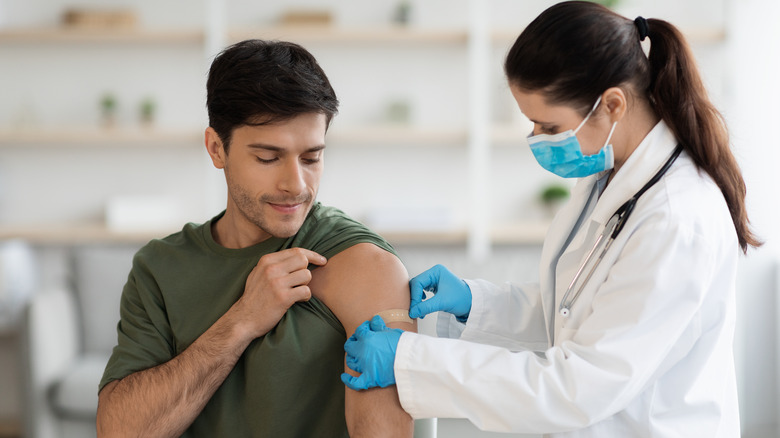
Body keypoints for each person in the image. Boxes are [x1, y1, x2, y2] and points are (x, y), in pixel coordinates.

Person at [341, 2, 760, 436]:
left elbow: (577, 389)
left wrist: (409, 359)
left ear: (612, 105)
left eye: (548, 125)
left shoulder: (676, 218)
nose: (536, 140)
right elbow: (575, 312)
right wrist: (473, 304)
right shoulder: (611, 176)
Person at [96, 39, 415, 437]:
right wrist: (242, 320)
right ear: (216, 148)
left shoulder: (362, 262)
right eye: (268, 158)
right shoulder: (159, 268)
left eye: (312, 157)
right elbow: (120, 431)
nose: (296, 184)